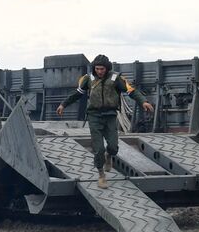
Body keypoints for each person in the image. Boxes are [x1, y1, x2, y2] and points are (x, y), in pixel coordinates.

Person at [56, 55, 153, 188]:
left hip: (110, 116)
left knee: (113, 146)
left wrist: (144, 102)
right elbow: (77, 94)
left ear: (107, 68)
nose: (99, 71)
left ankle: (110, 156)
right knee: (99, 149)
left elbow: (131, 91)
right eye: (97, 69)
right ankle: (101, 175)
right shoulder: (88, 79)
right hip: (94, 116)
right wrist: (63, 104)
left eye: (102, 69)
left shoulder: (116, 78)